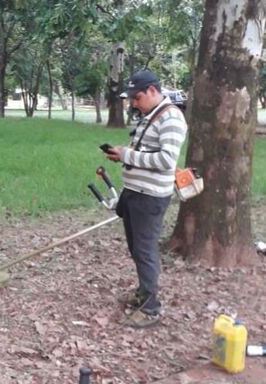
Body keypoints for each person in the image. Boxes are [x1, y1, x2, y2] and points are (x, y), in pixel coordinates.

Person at [104, 70, 187, 329]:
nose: (134, 104)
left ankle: (151, 308)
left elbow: (165, 160)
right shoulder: (150, 116)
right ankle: (142, 293)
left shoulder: (171, 117)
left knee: (145, 250)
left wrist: (128, 156)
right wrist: (123, 154)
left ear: (153, 90)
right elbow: (145, 152)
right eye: (132, 99)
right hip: (134, 193)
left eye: (137, 98)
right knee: (136, 249)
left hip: (150, 198)